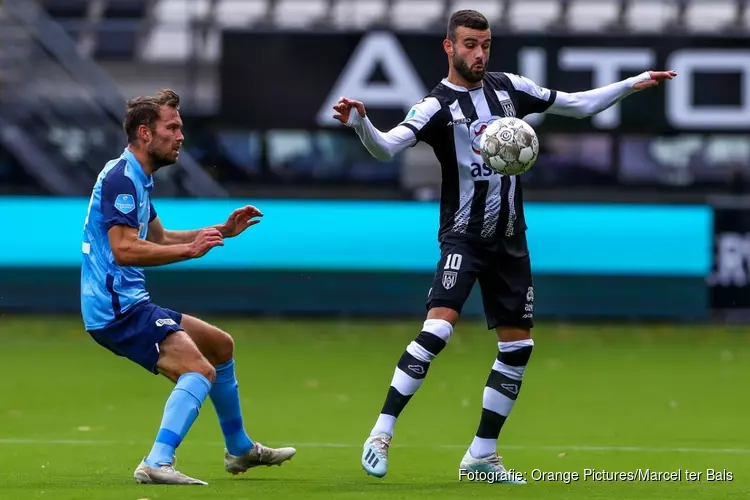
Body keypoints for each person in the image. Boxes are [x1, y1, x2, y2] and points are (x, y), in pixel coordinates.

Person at [333, 10, 676, 483]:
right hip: (464, 236)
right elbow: (388, 147)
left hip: (511, 238)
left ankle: (481, 456)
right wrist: (360, 125)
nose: (479, 54)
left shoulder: (509, 88)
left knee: (519, 347)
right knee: (438, 332)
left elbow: (575, 104)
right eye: (470, 44)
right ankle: (380, 433)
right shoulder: (436, 105)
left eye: (486, 45)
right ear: (448, 47)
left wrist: (632, 83)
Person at [80, 89, 296, 485]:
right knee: (198, 370)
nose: (181, 136)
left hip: (129, 303)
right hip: (116, 310)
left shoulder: (136, 177)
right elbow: (124, 249)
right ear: (145, 133)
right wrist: (191, 252)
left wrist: (221, 232)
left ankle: (240, 449)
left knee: (220, 345)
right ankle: (156, 461)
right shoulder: (122, 180)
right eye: (173, 127)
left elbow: (159, 237)